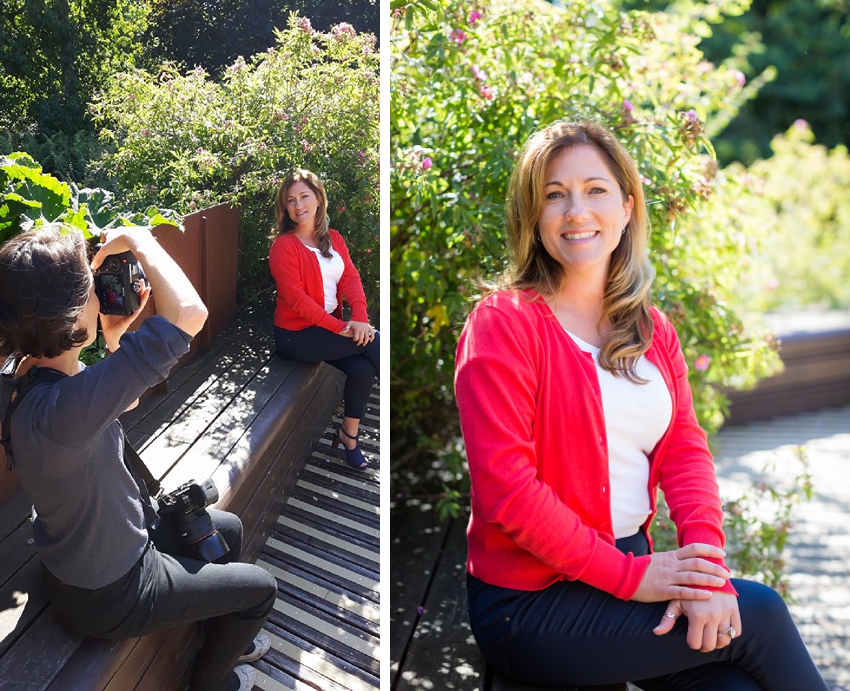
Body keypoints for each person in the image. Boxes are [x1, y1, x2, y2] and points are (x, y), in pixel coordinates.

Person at [454, 120, 828, 690]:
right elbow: (508, 488)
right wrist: (633, 579)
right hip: (530, 603)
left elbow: (683, 447)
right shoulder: (504, 324)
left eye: (595, 190)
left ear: (627, 207)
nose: (576, 210)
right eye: (555, 195)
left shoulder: (650, 329)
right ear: (534, 216)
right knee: (764, 615)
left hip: (632, 574)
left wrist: (706, 570)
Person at [0, 226, 278, 691]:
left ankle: (218, 630)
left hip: (87, 551)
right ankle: (211, 682)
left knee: (226, 530)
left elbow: (112, 405)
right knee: (260, 590)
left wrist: (112, 340)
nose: (102, 294)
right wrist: (141, 240)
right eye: (93, 288)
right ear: (69, 315)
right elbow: (190, 313)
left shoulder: (24, 378)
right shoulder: (63, 413)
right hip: (111, 591)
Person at [269, 169, 379, 470]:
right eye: (290, 200)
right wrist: (342, 328)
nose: (298, 205)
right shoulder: (283, 247)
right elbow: (298, 302)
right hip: (297, 336)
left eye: (304, 196)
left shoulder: (334, 239)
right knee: (375, 343)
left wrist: (359, 317)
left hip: (327, 328)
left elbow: (351, 279)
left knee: (363, 367)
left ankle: (349, 435)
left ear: (318, 199)